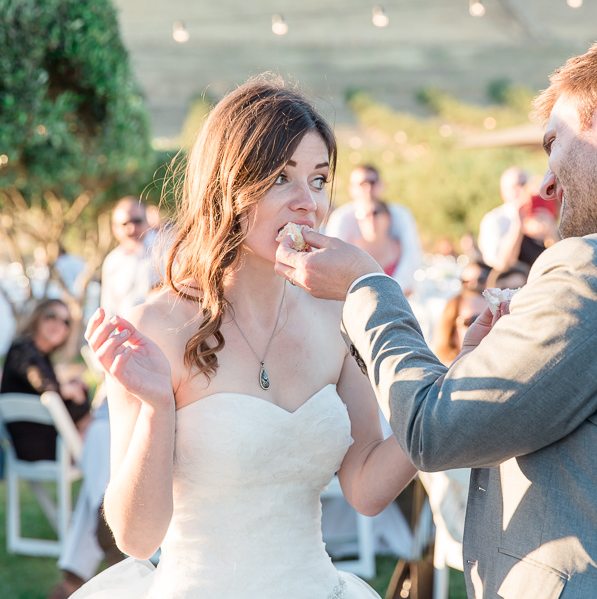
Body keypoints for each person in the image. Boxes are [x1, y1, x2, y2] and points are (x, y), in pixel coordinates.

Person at [277, 32, 597, 598]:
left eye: (555, 142)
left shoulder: (594, 270)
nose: (547, 179)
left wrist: (368, 286)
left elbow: (430, 430)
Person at [73, 78, 417, 599]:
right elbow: (136, 538)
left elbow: (367, 488)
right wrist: (156, 409)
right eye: (283, 178)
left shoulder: (336, 314)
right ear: (230, 187)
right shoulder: (158, 325)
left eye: (320, 180)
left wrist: (455, 388)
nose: (308, 204)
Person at [49, 197, 163, 599]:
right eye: (123, 223)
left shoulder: (165, 249)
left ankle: (79, 570)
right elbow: (108, 317)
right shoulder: (112, 262)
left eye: (136, 219)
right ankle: (102, 562)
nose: (131, 228)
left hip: (158, 366)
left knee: (108, 477)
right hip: (118, 373)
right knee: (101, 474)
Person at [0, 298, 91, 461]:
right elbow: (47, 387)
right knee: (98, 436)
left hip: (44, 440)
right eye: (51, 316)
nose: (58, 325)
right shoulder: (22, 349)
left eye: (66, 322)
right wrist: (69, 390)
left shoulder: (41, 356)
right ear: (37, 317)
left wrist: (73, 387)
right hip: (31, 445)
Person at [324, 164, 422, 295]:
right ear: (351, 189)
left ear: (381, 185)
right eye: (362, 184)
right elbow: (332, 258)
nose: (368, 188)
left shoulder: (400, 214)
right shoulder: (341, 218)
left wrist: (392, 291)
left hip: (397, 291)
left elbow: (411, 255)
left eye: (372, 182)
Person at [477, 166, 559, 271]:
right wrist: (518, 226)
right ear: (503, 192)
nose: (521, 189)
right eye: (515, 186)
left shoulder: (540, 215)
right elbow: (500, 265)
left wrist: (551, 233)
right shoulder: (494, 220)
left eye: (524, 184)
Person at [432, 288, 488, 365]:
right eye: (473, 320)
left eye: (491, 320)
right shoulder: (438, 374)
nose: (486, 327)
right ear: (451, 328)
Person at [347, 199, 402, 276]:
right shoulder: (349, 251)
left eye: (375, 213)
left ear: (388, 217)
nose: (370, 219)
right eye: (363, 215)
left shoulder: (401, 249)